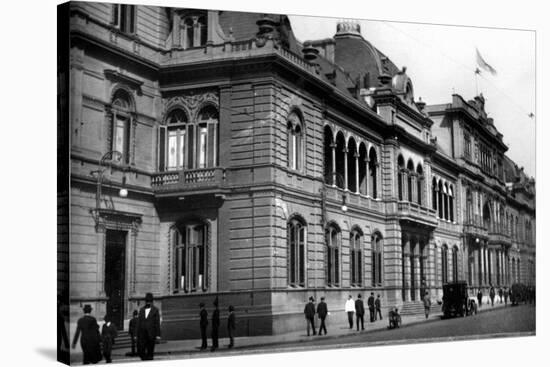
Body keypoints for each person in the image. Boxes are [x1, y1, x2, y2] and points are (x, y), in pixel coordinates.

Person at [136, 292, 161, 361]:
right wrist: (136, 334)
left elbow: (157, 323)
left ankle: (149, 359)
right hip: (142, 334)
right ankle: (144, 358)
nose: (148, 303)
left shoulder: (155, 310)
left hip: (151, 333)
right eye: (147, 301)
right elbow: (139, 322)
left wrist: (158, 335)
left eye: (149, 301)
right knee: (142, 349)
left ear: (152, 301)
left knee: (150, 350)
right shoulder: (141, 310)